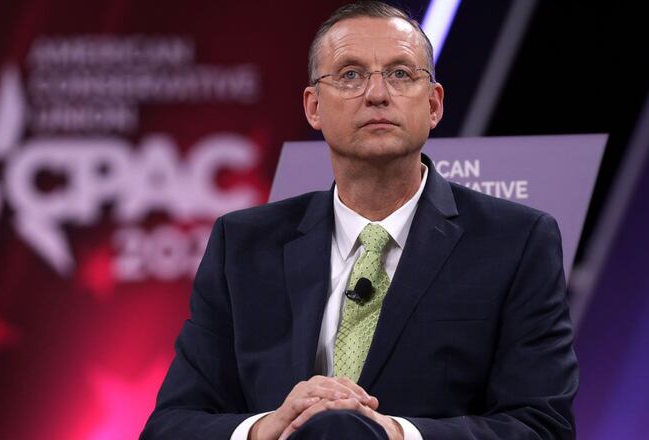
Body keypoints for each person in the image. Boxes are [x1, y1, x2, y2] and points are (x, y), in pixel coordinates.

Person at [141, 1, 578, 439]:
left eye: (401, 74)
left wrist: (394, 433)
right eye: (350, 75)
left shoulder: (517, 242)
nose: (376, 94)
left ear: (434, 104)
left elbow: (542, 427)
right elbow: (171, 426)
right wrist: (265, 430)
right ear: (313, 107)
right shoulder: (242, 244)